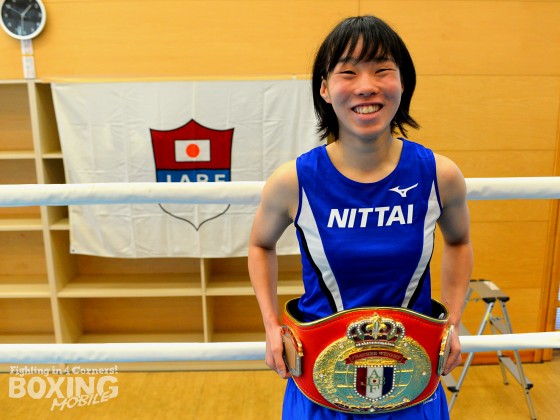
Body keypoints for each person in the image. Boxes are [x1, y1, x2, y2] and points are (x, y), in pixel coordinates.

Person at [248, 15, 473, 419]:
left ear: (403, 82)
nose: (366, 86)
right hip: (319, 385)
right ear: (324, 88)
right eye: (348, 73)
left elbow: (459, 241)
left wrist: (451, 323)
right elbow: (260, 244)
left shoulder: (439, 175)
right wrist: (270, 325)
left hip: (412, 382)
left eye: (382, 70)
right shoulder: (293, 181)